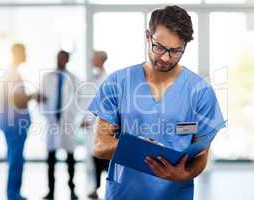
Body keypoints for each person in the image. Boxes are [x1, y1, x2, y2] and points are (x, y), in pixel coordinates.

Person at [88, 5, 226, 200]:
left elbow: (201, 153)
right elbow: (99, 145)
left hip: (174, 194)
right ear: (147, 36)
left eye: (176, 50)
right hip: (124, 194)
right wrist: (133, 146)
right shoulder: (117, 83)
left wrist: (184, 174)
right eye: (159, 47)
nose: (165, 57)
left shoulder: (201, 92)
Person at [0, 43, 43, 200]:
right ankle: (13, 195)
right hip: (14, 125)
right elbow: (18, 100)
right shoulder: (13, 74)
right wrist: (34, 96)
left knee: (15, 159)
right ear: (17, 53)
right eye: (24, 52)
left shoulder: (10, 72)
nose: (26, 55)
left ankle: (14, 193)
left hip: (10, 123)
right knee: (16, 160)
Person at [40, 50, 80, 200]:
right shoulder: (47, 78)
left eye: (63, 58)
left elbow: (79, 100)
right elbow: (42, 96)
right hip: (52, 122)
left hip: (67, 122)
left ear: (67, 60)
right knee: (50, 158)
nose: (60, 60)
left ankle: (72, 190)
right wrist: (45, 110)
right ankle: (50, 191)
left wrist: (72, 114)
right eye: (58, 58)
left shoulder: (74, 79)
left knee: (70, 158)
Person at [80, 51, 110, 199]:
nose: (92, 60)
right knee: (96, 157)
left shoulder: (105, 79)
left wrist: (89, 119)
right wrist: (85, 118)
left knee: (103, 158)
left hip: (100, 124)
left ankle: (106, 187)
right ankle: (97, 187)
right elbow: (88, 102)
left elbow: (99, 104)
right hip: (92, 125)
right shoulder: (94, 77)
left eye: (94, 58)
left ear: (101, 60)